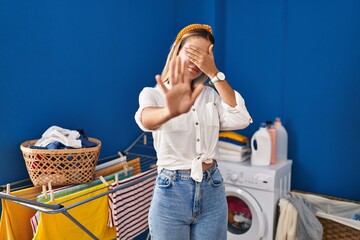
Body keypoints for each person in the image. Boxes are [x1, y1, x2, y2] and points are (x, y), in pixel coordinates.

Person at [135, 23, 252, 240]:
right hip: (171, 192)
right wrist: (170, 110)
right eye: (192, 52)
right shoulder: (154, 93)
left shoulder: (210, 95)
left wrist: (214, 73)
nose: (197, 61)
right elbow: (146, 119)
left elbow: (241, 118)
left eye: (204, 56)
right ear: (176, 51)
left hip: (212, 188)